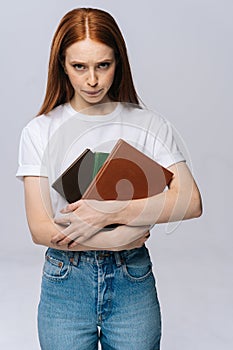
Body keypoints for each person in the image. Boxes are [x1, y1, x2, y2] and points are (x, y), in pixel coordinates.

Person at [16, 7, 202, 350]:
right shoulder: (39, 131)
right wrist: (115, 241)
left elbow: (190, 201)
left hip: (132, 278)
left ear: (119, 62)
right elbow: (40, 229)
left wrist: (111, 212)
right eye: (79, 67)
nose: (92, 80)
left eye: (103, 65)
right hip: (65, 281)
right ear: (62, 65)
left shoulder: (148, 125)